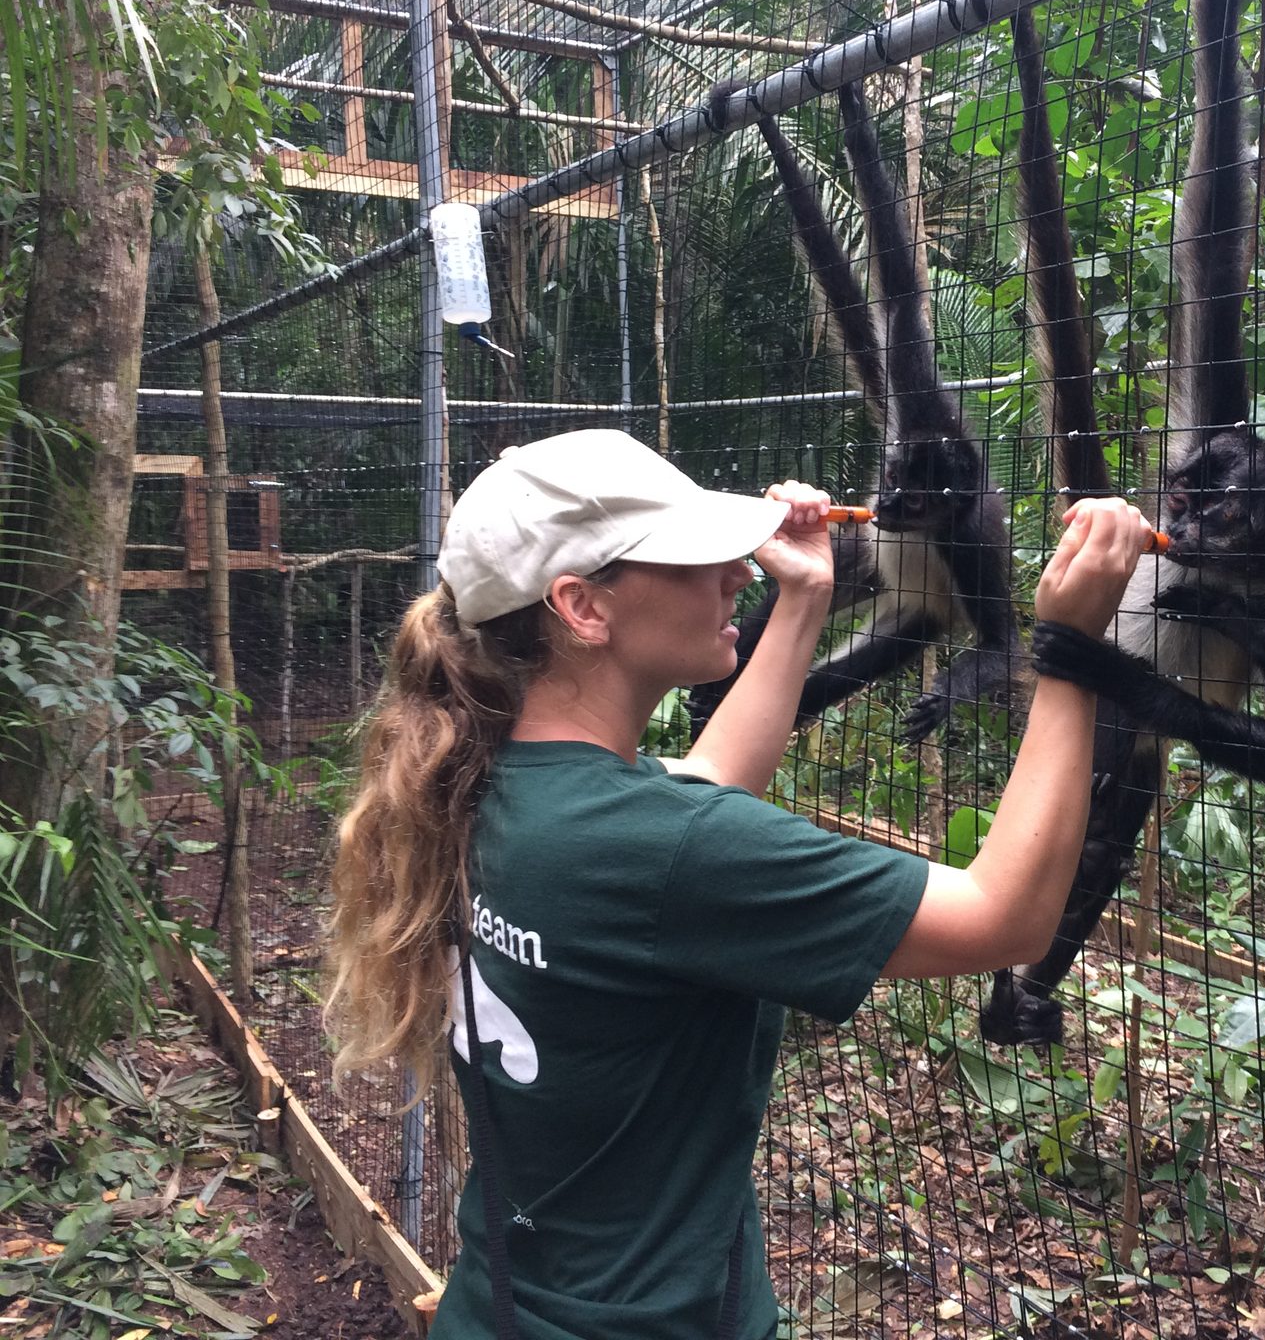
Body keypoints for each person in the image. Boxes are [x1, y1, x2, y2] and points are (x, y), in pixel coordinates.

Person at [324, 428, 1149, 1340]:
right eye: (692, 557)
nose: (735, 573)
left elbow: (703, 791)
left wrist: (806, 598)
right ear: (582, 606)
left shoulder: (481, 785)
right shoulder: (664, 850)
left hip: (507, 1303)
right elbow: (1009, 920)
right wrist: (1072, 652)